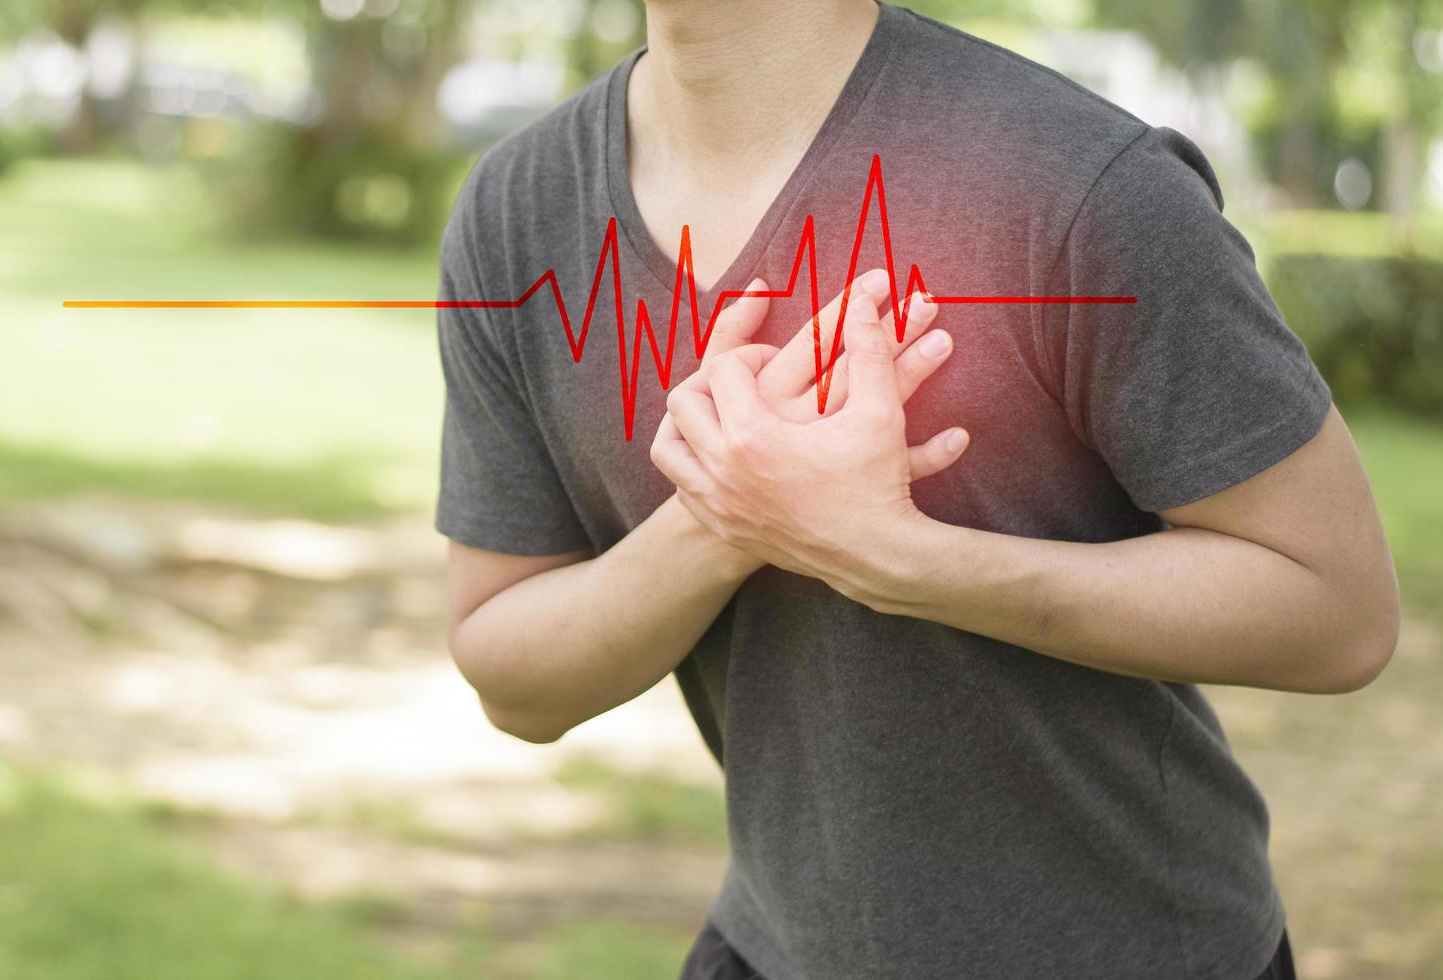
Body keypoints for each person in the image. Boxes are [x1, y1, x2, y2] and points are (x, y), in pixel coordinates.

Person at [433, 1, 1399, 977]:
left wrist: (903, 558)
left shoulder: (1077, 183)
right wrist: (723, 514)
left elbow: (1337, 610)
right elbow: (515, 680)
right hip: (779, 945)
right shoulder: (516, 211)